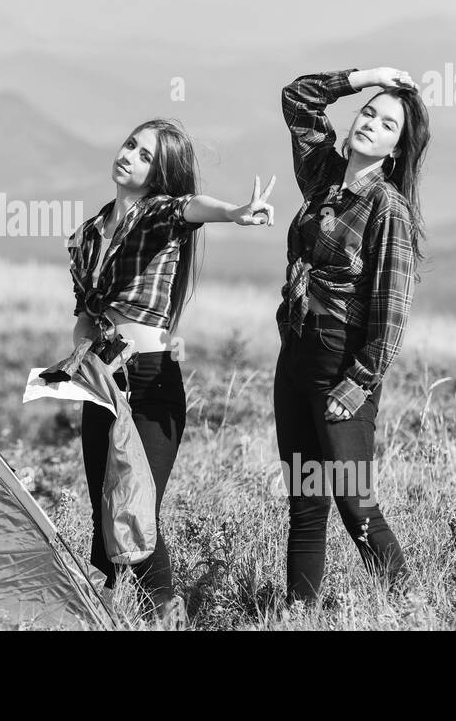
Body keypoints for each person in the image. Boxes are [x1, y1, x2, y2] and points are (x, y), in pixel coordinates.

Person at [68, 118, 276, 625]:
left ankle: (167, 614)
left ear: (160, 174)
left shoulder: (157, 216)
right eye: (131, 144)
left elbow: (190, 209)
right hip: (102, 379)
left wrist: (236, 213)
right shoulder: (88, 234)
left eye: (144, 155)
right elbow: (83, 318)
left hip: (151, 383)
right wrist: (80, 363)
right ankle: (118, 611)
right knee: (107, 509)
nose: (129, 156)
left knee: (137, 505)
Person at [272, 66, 430, 608]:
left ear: (396, 147)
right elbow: (297, 99)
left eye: (388, 124)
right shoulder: (324, 177)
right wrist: (368, 77)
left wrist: (359, 382)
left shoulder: (388, 208)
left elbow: (393, 309)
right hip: (296, 353)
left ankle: (410, 607)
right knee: (306, 498)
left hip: (342, 365)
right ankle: (300, 614)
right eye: (368, 112)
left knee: (354, 500)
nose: (371, 124)